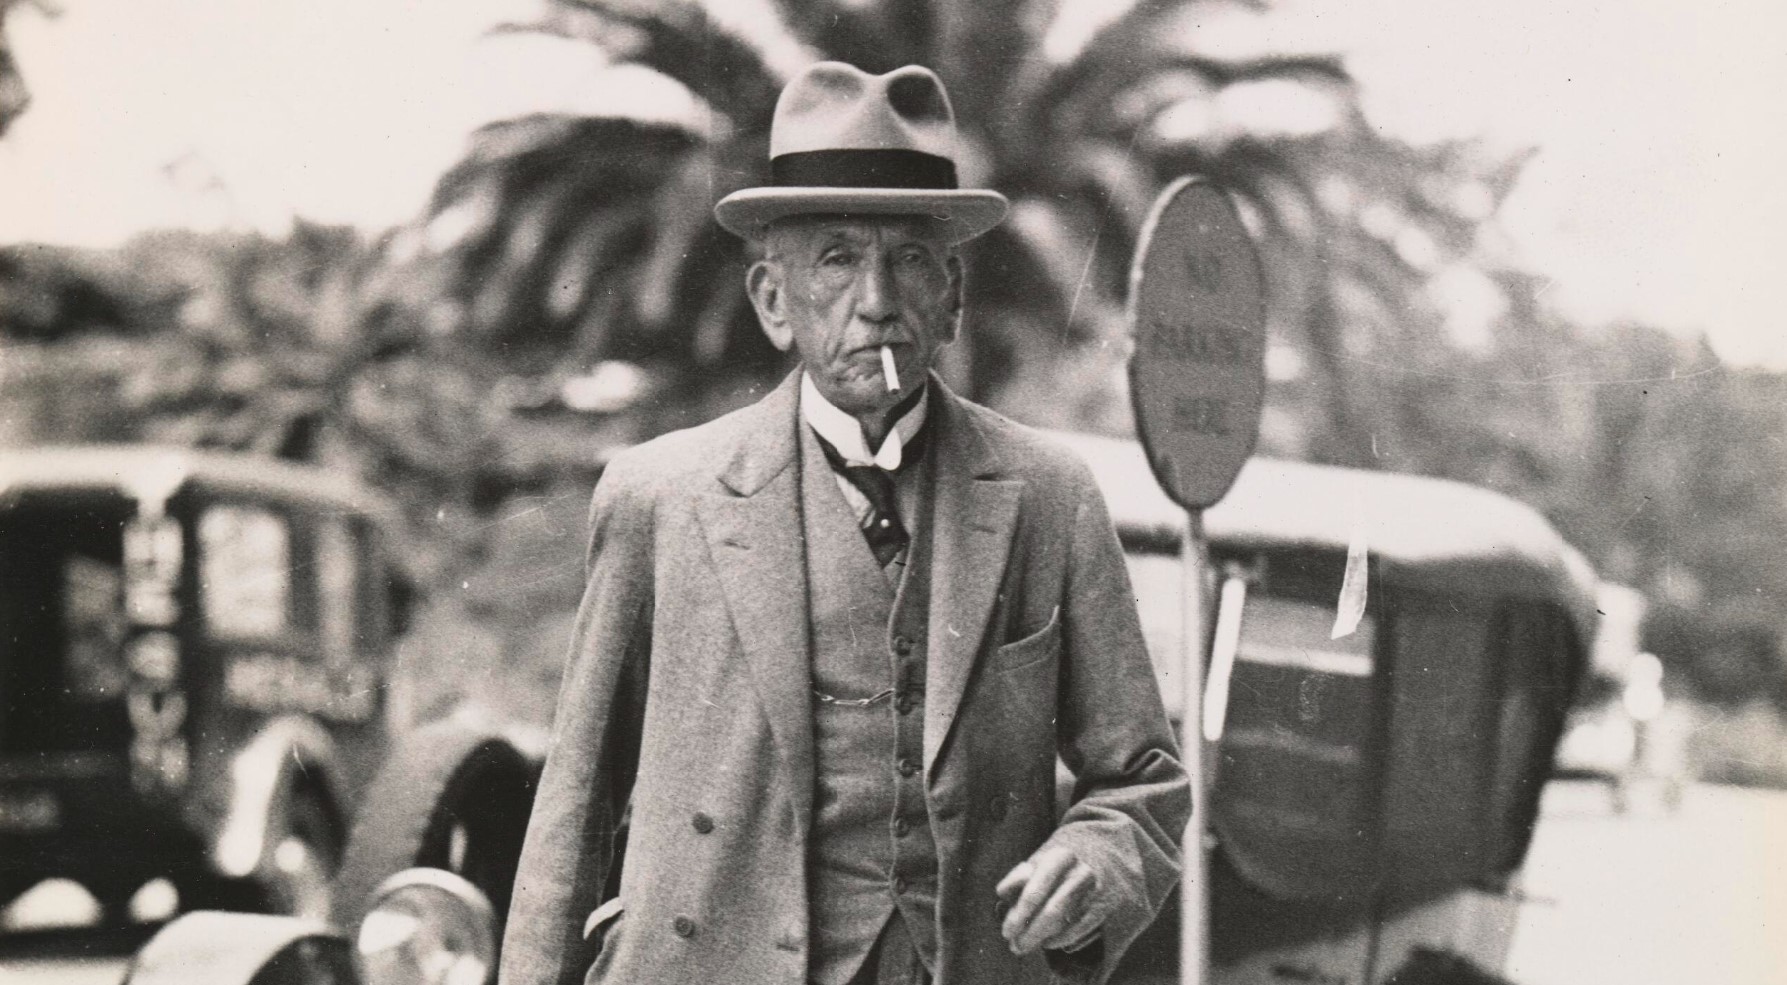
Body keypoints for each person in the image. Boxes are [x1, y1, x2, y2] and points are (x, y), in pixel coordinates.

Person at [499, 62, 1189, 985]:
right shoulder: (660, 497)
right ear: (773, 302)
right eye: (835, 258)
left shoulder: (1047, 496)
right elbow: (574, 805)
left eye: (908, 259)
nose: (876, 301)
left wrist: (1098, 862)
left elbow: (1143, 781)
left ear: (949, 296)